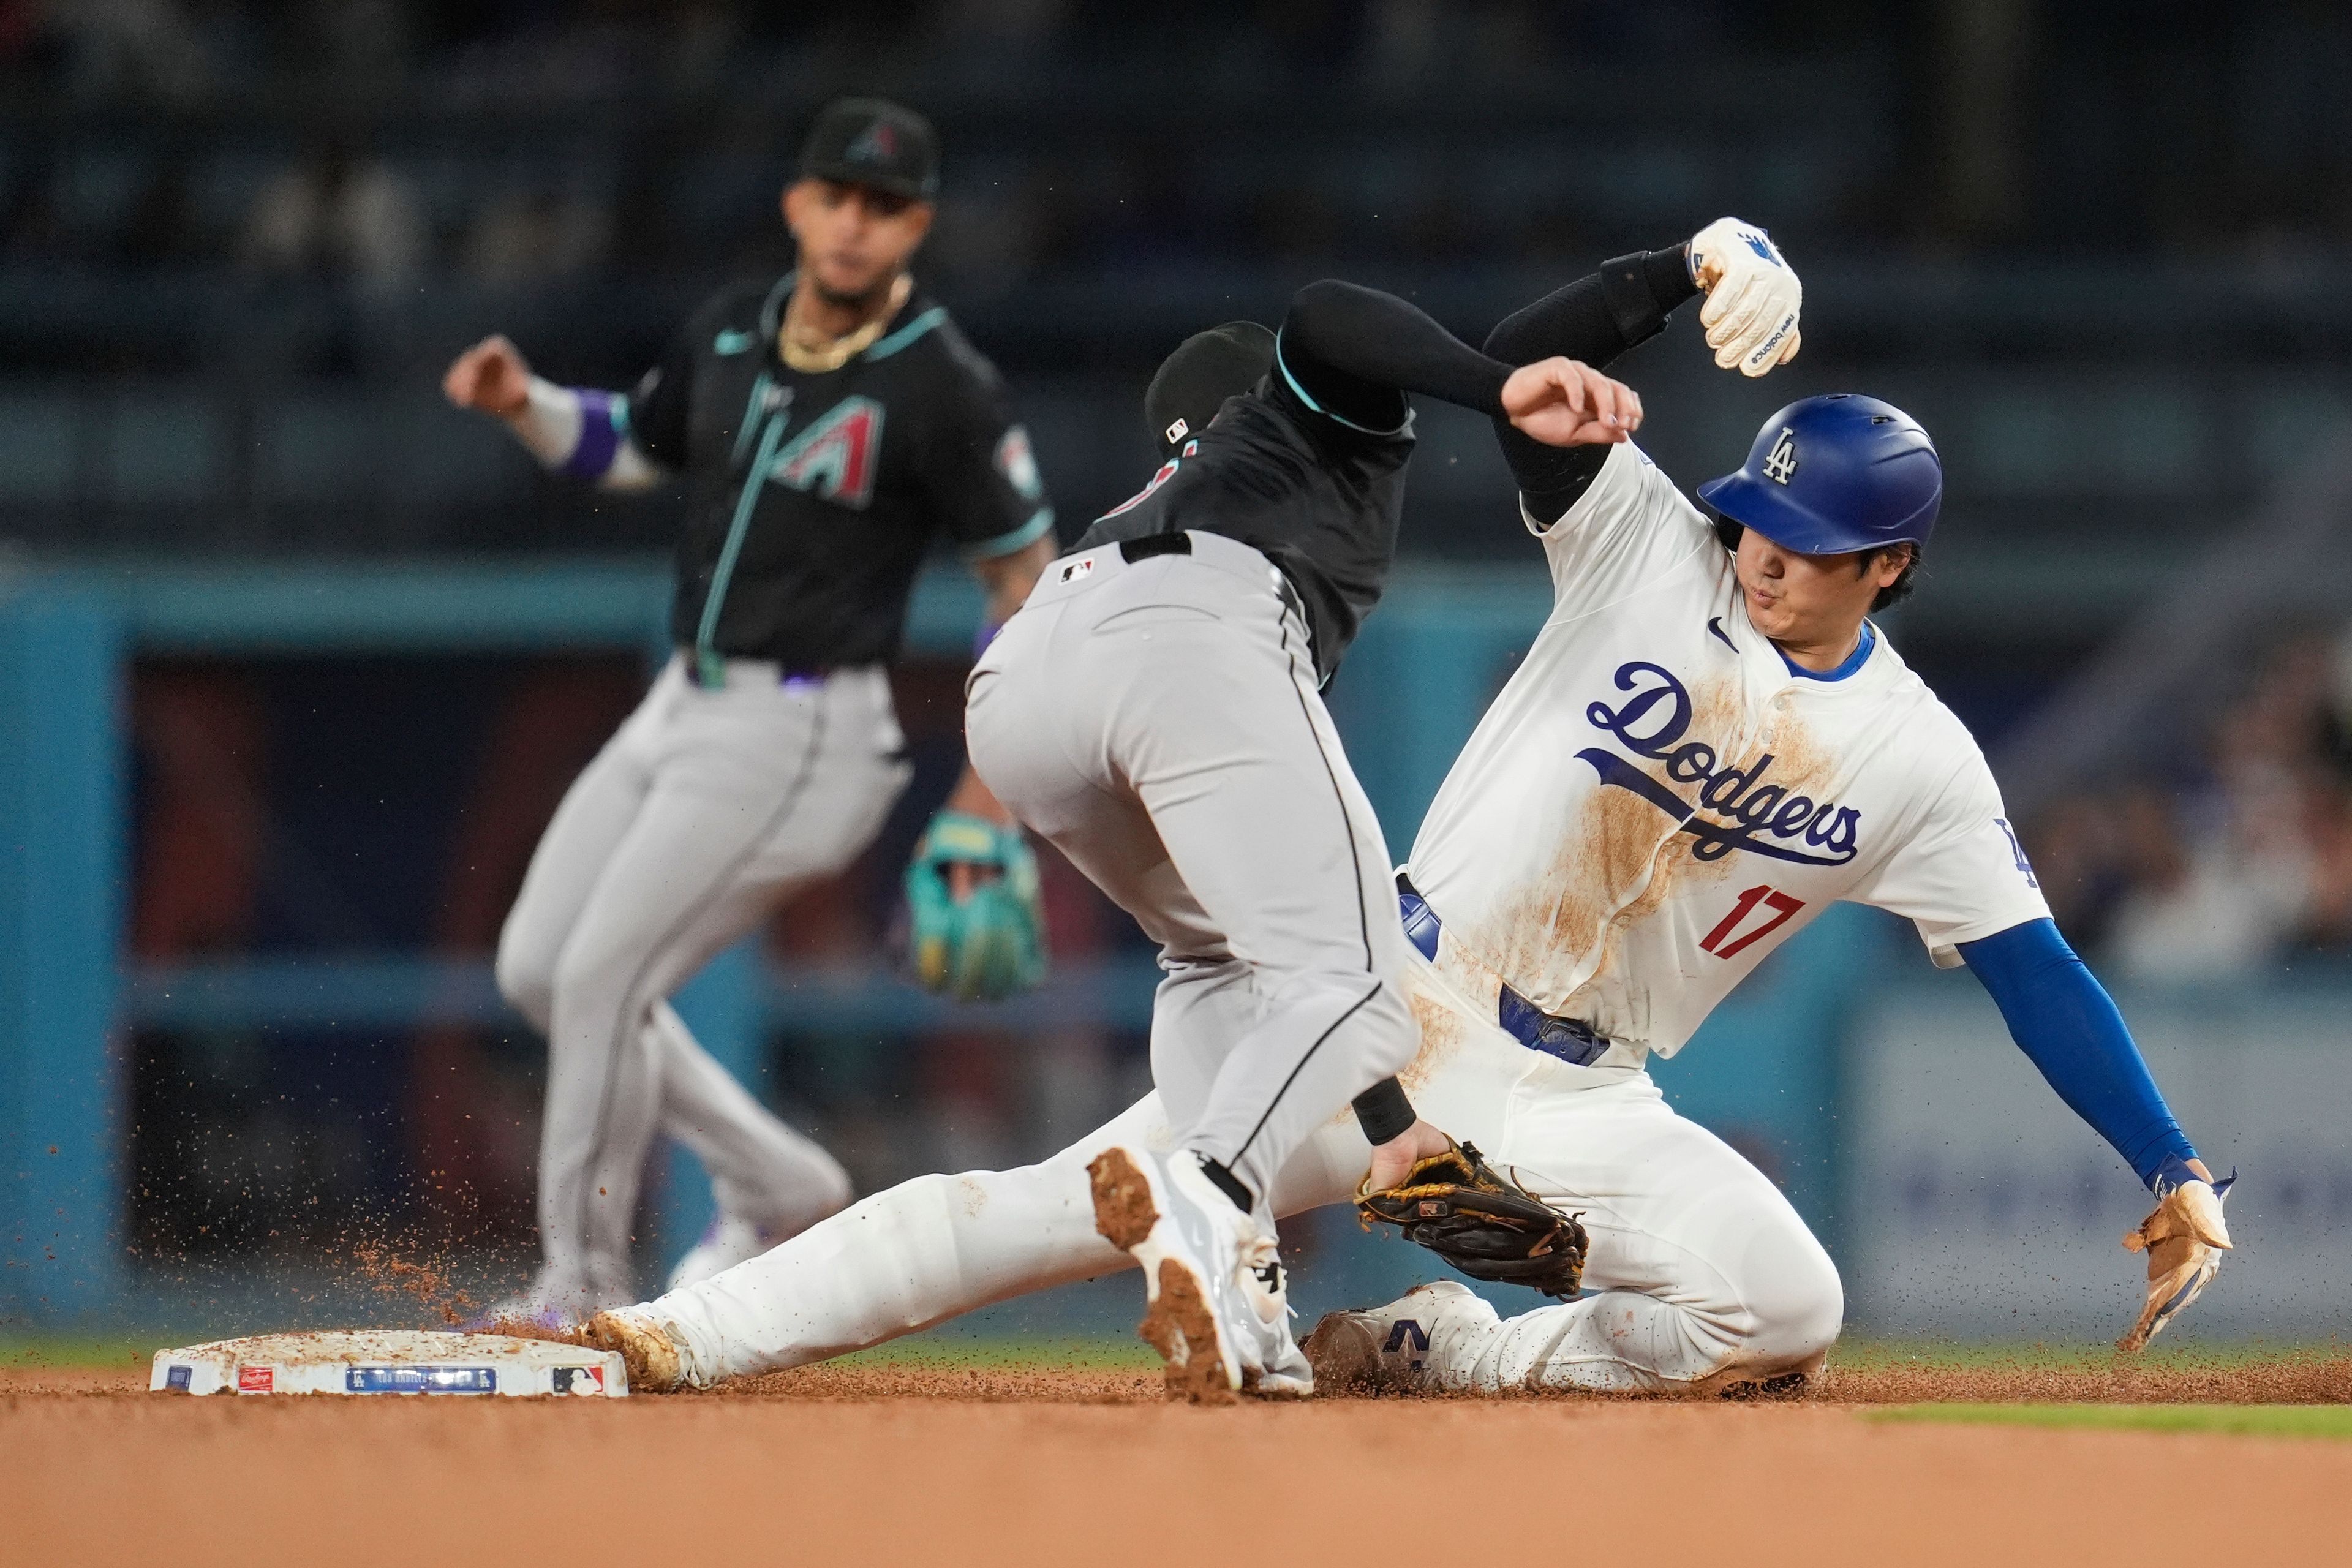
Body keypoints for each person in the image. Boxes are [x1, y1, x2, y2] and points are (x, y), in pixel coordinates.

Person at [581, 217, 1953, 1400]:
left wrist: (1385, 1128)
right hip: (1210, 669)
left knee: (1082, 1164)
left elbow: (1259, 947)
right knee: (1345, 983)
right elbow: (1338, 322)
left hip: (1040, 678)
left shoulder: (1168, 492)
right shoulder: (1323, 434)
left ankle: (682, 1328)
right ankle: (1217, 1215)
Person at [440, 98, 1058, 1325]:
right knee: (536, 969)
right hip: (685, 698)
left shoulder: (942, 384)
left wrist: (988, 791)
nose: (854, 222)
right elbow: (628, 445)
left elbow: (1025, 582)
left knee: (605, 972)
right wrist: (525, 402)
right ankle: (780, 1178)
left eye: (883, 206)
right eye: (836, 195)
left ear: (916, 226)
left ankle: (581, 1281)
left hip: (805, 724)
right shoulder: (734, 328)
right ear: (796, 203)